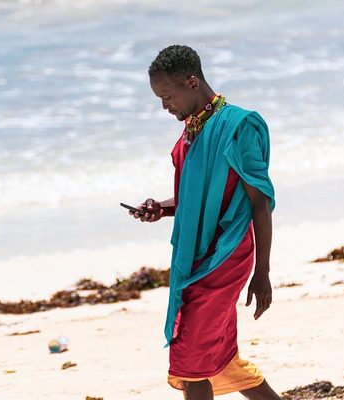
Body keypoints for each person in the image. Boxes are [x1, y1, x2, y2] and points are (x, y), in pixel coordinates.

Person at [128, 45, 282, 400]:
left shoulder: (239, 127)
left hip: (226, 256)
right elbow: (191, 199)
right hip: (195, 257)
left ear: (192, 82)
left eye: (167, 96)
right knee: (222, 358)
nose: (165, 105)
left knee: (189, 360)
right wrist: (160, 208)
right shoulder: (191, 131)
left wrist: (263, 273)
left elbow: (260, 202)